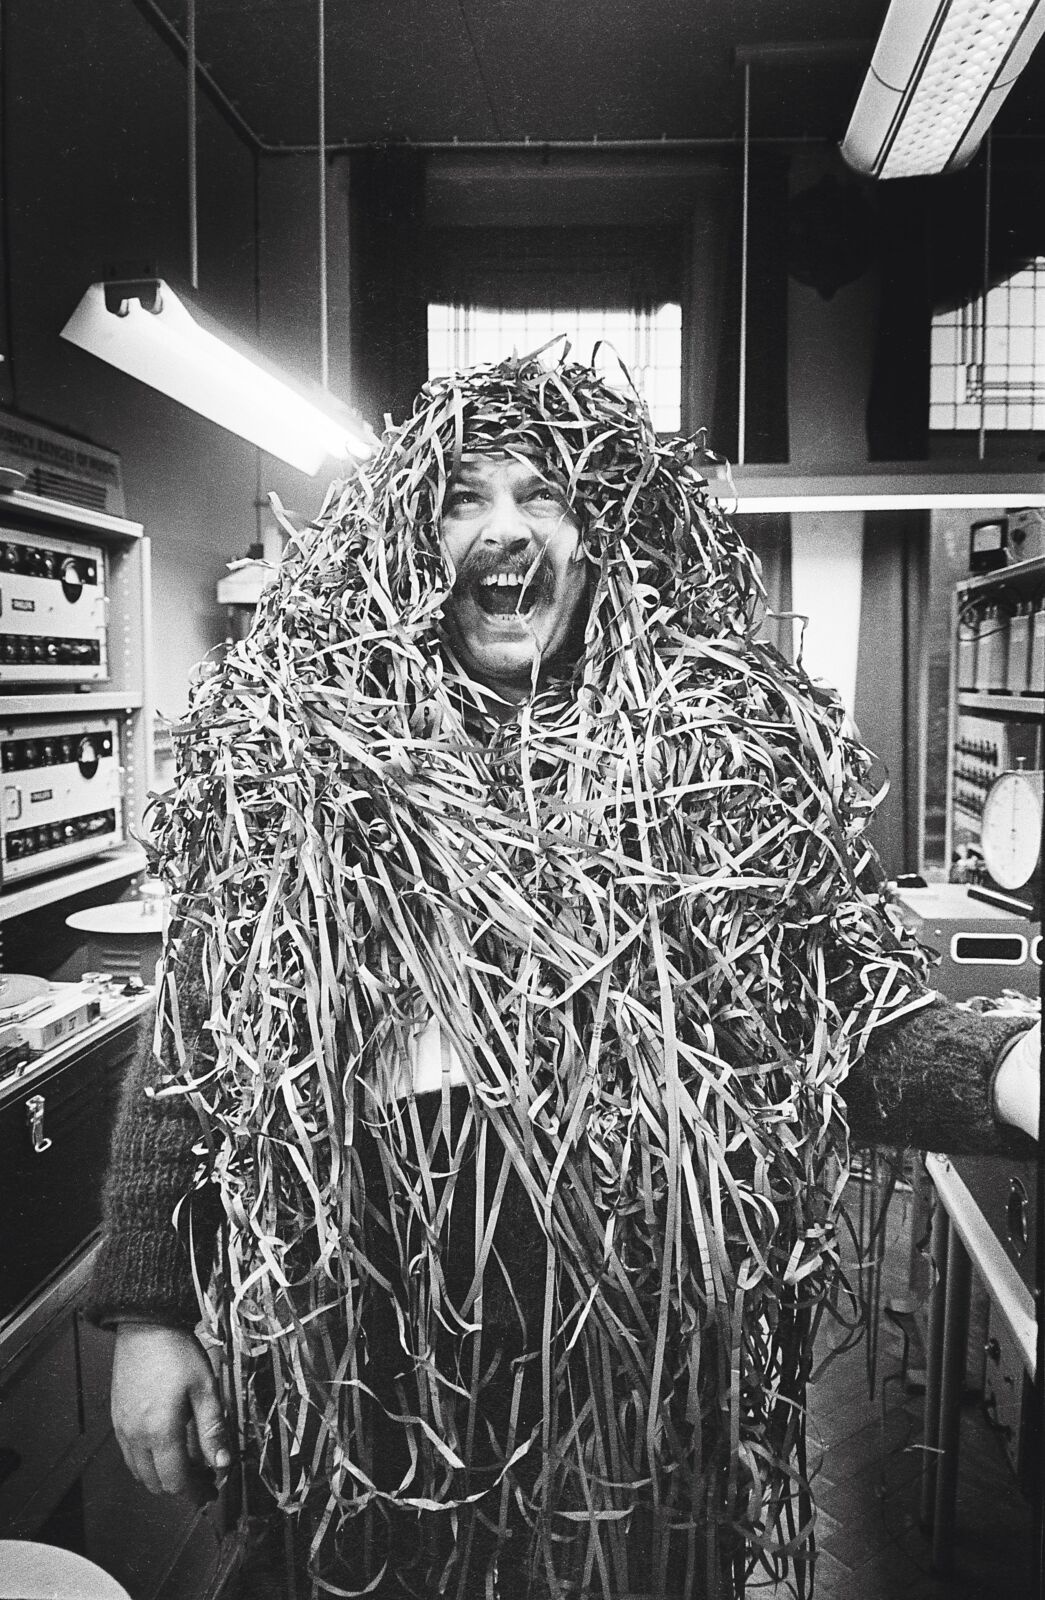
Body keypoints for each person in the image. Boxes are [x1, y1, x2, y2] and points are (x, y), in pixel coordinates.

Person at [89, 348, 1040, 1600]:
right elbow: (193, 1038)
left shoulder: (721, 763)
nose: (504, 528)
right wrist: (150, 1310)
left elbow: (842, 1023)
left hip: (638, 1377)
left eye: (543, 494)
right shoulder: (304, 764)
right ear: (409, 544)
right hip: (365, 1360)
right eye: (464, 499)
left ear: (600, 542)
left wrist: (1009, 1066)